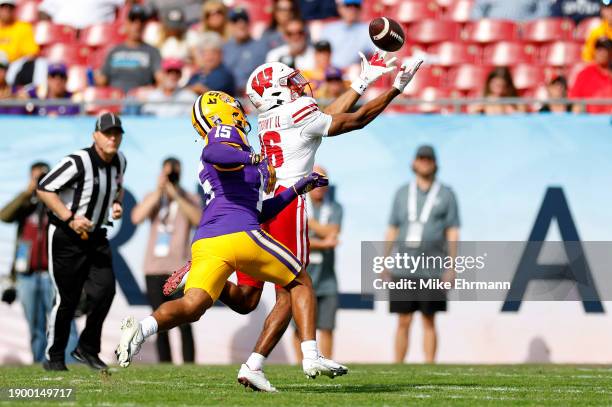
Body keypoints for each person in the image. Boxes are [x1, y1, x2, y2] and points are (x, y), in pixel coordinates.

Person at [165, 53, 423, 391]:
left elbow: (325, 116)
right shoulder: (296, 112)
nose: (297, 85)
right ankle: (301, 355)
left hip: (261, 208)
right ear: (274, 91)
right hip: (287, 204)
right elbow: (353, 120)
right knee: (294, 288)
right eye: (288, 82)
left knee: (246, 300)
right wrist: (396, 89)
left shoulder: (268, 119)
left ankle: (208, 292)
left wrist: (361, 83)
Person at [116, 91, 347, 383]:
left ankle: (141, 329)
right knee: (299, 279)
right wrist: (253, 157)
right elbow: (214, 152)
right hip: (239, 231)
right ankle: (311, 355)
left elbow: (262, 210)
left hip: (208, 241)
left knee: (195, 306)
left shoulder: (238, 154)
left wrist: (298, 188)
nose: (239, 111)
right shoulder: (224, 135)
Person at [37, 112, 127, 371]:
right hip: (66, 236)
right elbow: (44, 188)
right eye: (107, 133)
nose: (112, 138)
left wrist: (117, 202)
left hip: (96, 235)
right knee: (67, 298)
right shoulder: (78, 161)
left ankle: (86, 348)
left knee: (106, 290)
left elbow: (118, 185)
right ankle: (54, 358)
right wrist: (70, 217)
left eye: (117, 133)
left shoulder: (120, 160)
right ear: (95, 136)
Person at [384, 145, 460, 364]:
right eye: (421, 158)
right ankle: (397, 366)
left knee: (429, 319)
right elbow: (392, 228)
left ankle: (430, 365)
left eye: (429, 159)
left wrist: (452, 266)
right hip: (403, 266)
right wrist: (384, 260)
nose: (425, 162)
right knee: (403, 320)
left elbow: (452, 231)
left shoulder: (446, 194)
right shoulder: (401, 193)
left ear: (435, 163)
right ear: (414, 162)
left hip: (433, 267)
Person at [0, 162, 79, 364]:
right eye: (36, 178)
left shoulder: (59, 202)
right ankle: (38, 365)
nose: (40, 181)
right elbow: (4, 215)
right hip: (27, 275)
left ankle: (68, 363)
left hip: (55, 274)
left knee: (63, 322)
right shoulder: (27, 204)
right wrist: (28, 192)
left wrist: (51, 195)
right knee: (36, 326)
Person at [131, 158, 200, 363]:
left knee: (185, 318)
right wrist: (159, 190)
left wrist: (176, 194)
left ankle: (189, 364)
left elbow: (197, 220)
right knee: (158, 320)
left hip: (178, 269)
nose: (171, 178)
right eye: (168, 173)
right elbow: (136, 217)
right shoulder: (153, 197)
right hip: (153, 269)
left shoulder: (189, 197)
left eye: (174, 174)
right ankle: (165, 364)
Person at [292, 165, 342, 360]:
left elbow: (334, 234)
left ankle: (328, 362)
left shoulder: (335, 207)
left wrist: (310, 225)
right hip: (303, 275)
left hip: (327, 278)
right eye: (316, 180)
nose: (319, 185)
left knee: (327, 327)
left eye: (323, 180)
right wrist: (323, 239)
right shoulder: (298, 205)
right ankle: (300, 365)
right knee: (299, 328)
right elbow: (297, 240)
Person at [95, 4, 162, 93]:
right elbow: (102, 80)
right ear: (126, 24)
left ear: (145, 25)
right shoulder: (114, 51)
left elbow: (160, 80)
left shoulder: (153, 52)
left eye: (141, 21)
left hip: (140, 100)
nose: (137, 25)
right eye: (133, 20)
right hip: (114, 98)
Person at [223, 8, 268, 92]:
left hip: (253, 93)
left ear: (249, 23)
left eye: (244, 20)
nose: (241, 24)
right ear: (230, 25)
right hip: (228, 93)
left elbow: (264, 75)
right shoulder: (225, 48)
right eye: (235, 21)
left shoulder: (261, 46)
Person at [319, 0, 373, 69]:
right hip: (329, 73)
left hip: (354, 75)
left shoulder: (367, 30)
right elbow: (320, 57)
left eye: (356, 6)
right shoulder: (328, 29)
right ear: (339, 8)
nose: (352, 9)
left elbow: (381, 55)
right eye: (348, 5)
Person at [569, 37, 612, 113]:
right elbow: (574, 101)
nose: (601, 53)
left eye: (605, 50)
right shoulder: (584, 74)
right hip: (590, 121)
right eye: (598, 49)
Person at [38, 0, 128, 29]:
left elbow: (129, 2)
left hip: (96, 45)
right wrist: (51, 32)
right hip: (62, 40)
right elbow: (44, 11)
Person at [470, 0, 550, 20]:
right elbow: (476, 12)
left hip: (525, 38)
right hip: (493, 38)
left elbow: (545, 13)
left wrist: (528, 24)